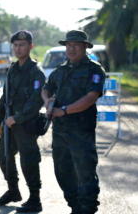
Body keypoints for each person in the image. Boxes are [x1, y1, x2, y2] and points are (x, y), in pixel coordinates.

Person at [41, 30, 105, 214]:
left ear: (85, 47)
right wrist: (48, 102)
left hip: (81, 131)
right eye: (68, 45)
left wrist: (64, 111)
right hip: (60, 132)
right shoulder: (60, 70)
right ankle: (75, 207)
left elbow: (91, 97)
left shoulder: (94, 70)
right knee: (62, 172)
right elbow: (46, 89)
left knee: (85, 173)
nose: (71, 48)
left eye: (76, 45)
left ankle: (87, 209)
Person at [0, 30, 45, 213]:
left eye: (22, 45)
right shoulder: (12, 70)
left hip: (25, 125)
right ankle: (13, 191)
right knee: (3, 156)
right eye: (15, 45)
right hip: (9, 124)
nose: (18, 48)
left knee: (28, 161)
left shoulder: (36, 72)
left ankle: (35, 198)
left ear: (31, 47)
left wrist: (17, 118)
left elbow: (36, 101)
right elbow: (4, 97)